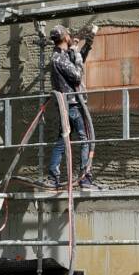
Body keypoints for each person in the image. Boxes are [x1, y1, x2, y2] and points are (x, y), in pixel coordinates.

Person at [47, 24, 97, 189]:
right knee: (85, 139)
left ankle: (53, 177)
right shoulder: (59, 58)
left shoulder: (60, 56)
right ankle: (85, 177)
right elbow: (76, 75)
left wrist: (86, 45)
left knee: (63, 140)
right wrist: (75, 51)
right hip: (74, 105)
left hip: (66, 105)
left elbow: (76, 62)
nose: (70, 36)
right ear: (64, 37)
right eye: (68, 34)